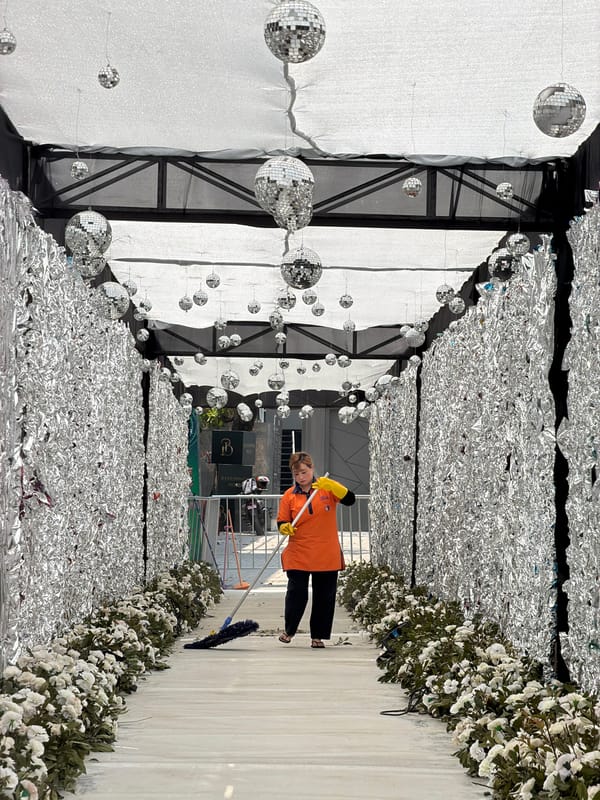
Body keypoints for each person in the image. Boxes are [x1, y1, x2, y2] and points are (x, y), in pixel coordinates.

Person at [276, 452, 355, 648]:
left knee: (324, 595)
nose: (301, 477)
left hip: (325, 552)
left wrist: (333, 486)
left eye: (304, 472)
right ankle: (289, 630)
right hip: (299, 551)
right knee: (296, 592)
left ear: (312, 469)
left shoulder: (326, 490)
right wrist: (284, 527)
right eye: (296, 474)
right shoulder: (289, 496)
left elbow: (350, 499)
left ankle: (318, 636)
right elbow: (282, 520)